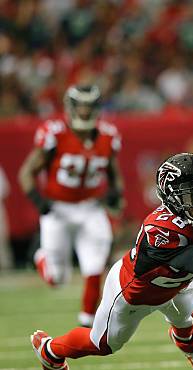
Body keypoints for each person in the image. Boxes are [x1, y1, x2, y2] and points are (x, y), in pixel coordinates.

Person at [30, 153, 193, 370]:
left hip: (180, 284)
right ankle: (50, 349)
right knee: (104, 344)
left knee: (184, 321)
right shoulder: (160, 230)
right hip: (135, 294)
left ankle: (187, 344)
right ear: (172, 200)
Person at [19, 85, 124, 327]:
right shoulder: (55, 133)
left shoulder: (108, 134)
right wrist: (38, 199)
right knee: (58, 279)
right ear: (71, 107)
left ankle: (87, 324)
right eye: (81, 106)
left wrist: (116, 194)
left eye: (90, 106)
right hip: (58, 209)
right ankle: (41, 256)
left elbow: (113, 171)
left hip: (90, 207)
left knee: (95, 264)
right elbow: (26, 172)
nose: (85, 112)